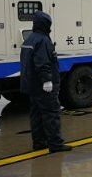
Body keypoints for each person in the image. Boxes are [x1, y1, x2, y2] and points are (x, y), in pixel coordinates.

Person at [20, 11, 72, 153]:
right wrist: (47, 80)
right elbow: (42, 63)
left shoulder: (29, 39)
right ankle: (55, 144)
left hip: (32, 86)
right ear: (45, 24)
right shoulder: (43, 40)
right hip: (43, 87)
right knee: (51, 114)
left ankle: (39, 142)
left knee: (36, 115)